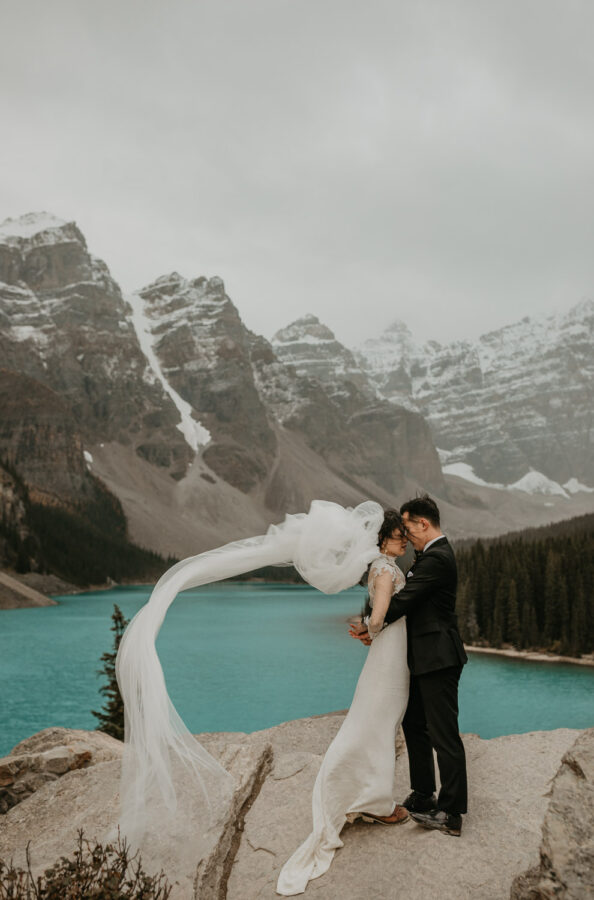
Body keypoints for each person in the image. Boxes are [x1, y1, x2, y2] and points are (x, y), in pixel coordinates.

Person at [276, 509, 411, 896]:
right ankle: (377, 802)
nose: (403, 541)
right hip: (390, 658)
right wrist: (370, 630)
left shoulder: (380, 566)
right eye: (398, 536)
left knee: (374, 723)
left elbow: (376, 615)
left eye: (404, 535)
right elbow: (381, 613)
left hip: (387, 654)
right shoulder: (385, 570)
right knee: (380, 725)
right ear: (382, 540)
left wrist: (368, 631)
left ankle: (366, 792)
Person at [351, 494, 468, 837]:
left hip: (439, 658)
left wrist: (370, 624)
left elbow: (404, 600)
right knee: (414, 723)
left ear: (424, 523)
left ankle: (451, 813)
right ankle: (422, 793)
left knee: (444, 733)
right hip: (420, 657)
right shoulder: (426, 556)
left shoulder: (438, 558)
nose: (406, 534)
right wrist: (373, 625)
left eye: (408, 527)